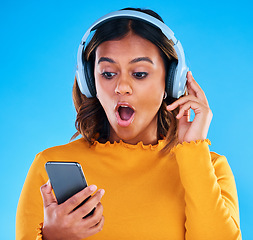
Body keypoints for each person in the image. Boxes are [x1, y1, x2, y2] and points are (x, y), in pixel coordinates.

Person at [16, 7, 242, 240]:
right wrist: (53, 237)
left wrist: (194, 152)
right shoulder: (48, 167)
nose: (121, 87)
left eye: (140, 73)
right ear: (89, 83)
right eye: (107, 73)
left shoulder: (210, 168)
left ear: (171, 81)